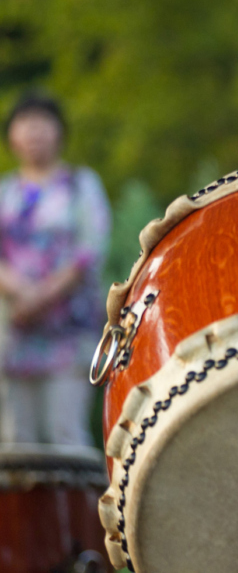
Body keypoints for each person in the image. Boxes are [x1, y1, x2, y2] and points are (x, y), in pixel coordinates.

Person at [0, 92, 110, 446]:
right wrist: (21, 293)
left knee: (66, 436)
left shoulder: (81, 186)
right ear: (12, 136)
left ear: (59, 132)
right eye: (26, 124)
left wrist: (41, 296)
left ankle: (76, 505)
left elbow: (89, 251)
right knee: (15, 442)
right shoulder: (4, 192)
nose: (35, 132)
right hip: (12, 335)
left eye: (43, 123)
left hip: (68, 335)